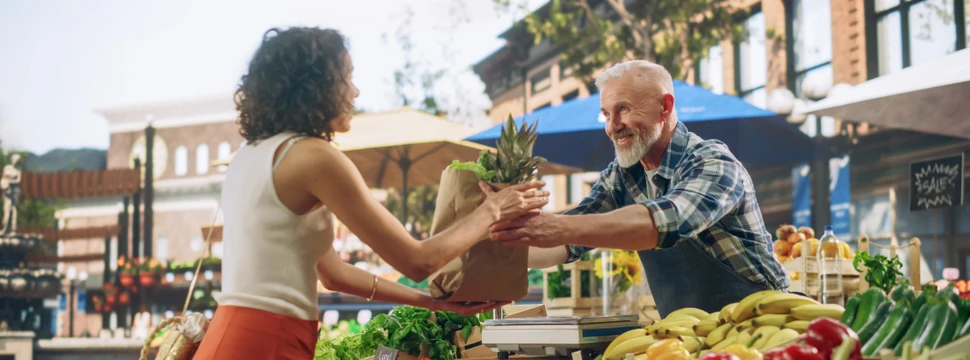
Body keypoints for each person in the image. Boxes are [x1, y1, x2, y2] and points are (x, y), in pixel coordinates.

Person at [194, 27, 549, 360]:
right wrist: (493, 209)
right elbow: (416, 260)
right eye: (346, 77)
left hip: (231, 335)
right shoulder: (315, 156)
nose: (355, 91)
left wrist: (430, 301)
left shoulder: (251, 154)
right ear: (315, 87)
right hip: (267, 340)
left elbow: (333, 274)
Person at [490, 60, 788, 317]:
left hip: (766, 323)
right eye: (606, 114)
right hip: (692, 336)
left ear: (665, 106)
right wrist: (489, 250)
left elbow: (667, 221)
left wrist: (557, 225)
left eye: (624, 109)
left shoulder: (714, 162)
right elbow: (567, 242)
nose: (612, 126)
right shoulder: (622, 176)